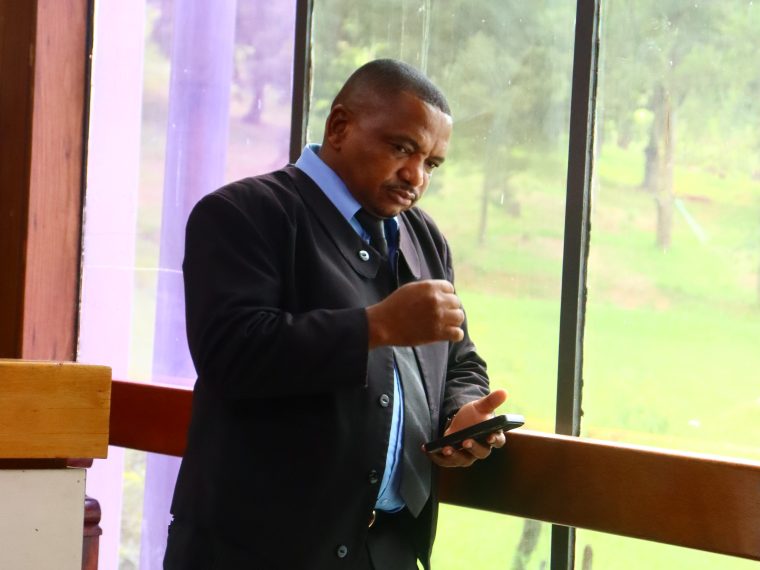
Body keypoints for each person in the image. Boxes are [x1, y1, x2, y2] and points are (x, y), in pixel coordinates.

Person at [164, 58, 508, 570]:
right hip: (254, 554)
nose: (415, 176)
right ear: (340, 127)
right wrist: (377, 326)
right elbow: (230, 354)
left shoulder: (424, 237)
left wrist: (460, 412)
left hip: (387, 552)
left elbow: (459, 360)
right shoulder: (243, 213)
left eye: (432, 164)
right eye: (402, 148)